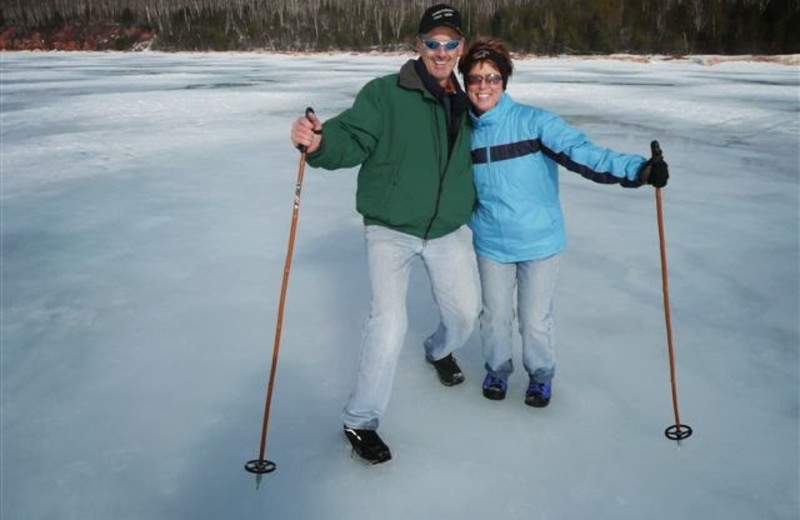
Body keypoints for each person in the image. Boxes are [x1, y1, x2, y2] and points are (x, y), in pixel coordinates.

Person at [290, 4, 480, 464]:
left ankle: (437, 350)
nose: (441, 51)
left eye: (449, 42)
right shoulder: (384, 93)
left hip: (447, 229)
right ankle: (360, 420)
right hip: (390, 229)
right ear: (417, 45)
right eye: (432, 42)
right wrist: (319, 142)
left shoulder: (469, 97)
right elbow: (351, 137)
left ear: (461, 47)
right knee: (389, 323)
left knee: (466, 316)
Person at [457, 38, 669, 407]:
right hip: (491, 242)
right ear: (466, 82)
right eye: (475, 78)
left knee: (534, 320)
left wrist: (638, 169)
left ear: (504, 81)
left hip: (540, 242)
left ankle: (540, 376)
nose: (483, 85)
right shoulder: (462, 132)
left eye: (492, 77)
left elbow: (583, 153)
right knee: (494, 317)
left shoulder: (534, 122)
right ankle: (497, 369)